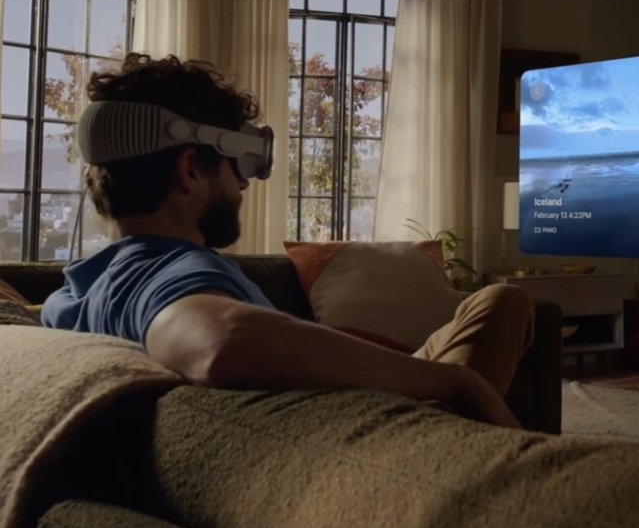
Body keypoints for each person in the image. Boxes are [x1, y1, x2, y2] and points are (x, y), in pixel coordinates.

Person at [40, 53, 530, 428]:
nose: (245, 185)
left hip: (357, 394)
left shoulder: (74, 293)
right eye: (239, 167)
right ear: (191, 170)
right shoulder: (169, 272)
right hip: (395, 424)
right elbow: (221, 340)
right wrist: (455, 381)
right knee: (505, 303)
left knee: (494, 302)